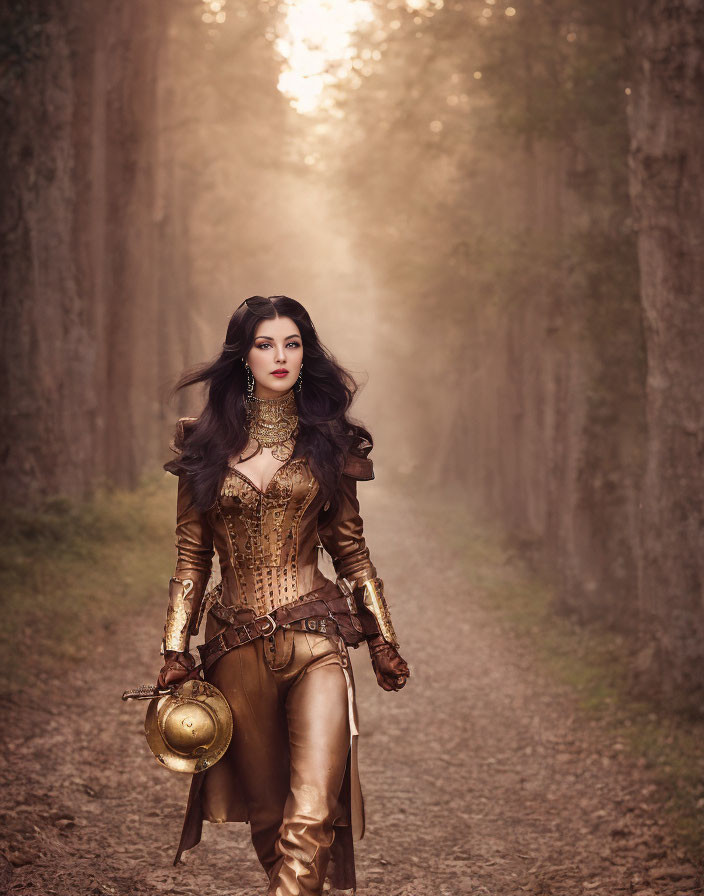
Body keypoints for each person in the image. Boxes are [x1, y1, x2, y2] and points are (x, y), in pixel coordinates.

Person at [155, 295, 410, 896]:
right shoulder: (204, 444)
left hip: (317, 642)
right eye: (265, 344)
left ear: (305, 353)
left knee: (311, 814)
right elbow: (192, 559)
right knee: (271, 822)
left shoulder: (329, 443)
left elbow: (352, 553)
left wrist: (383, 643)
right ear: (243, 355)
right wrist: (174, 647)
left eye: (292, 344)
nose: (280, 356)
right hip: (234, 651)